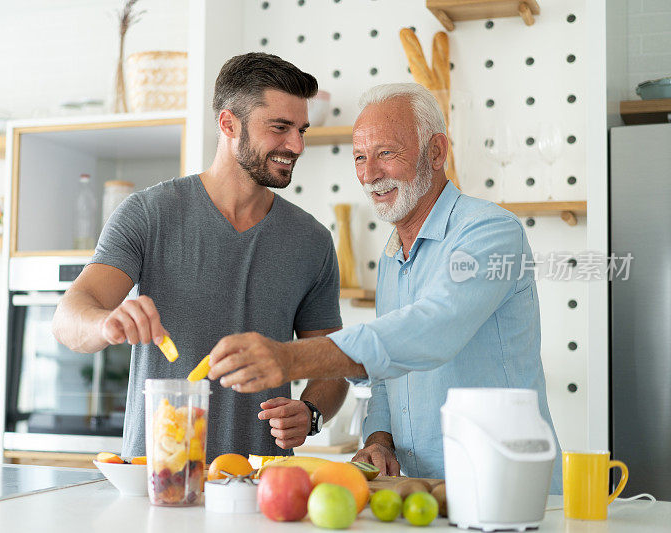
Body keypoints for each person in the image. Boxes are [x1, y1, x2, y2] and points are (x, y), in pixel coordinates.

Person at [207, 82, 563, 494]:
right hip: (418, 494)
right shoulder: (394, 257)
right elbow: (386, 378)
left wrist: (290, 359)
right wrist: (379, 438)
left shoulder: (490, 232)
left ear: (435, 152)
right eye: (360, 157)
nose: (369, 174)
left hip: (506, 489)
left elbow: (431, 332)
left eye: (386, 153)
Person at [52, 52, 348, 460]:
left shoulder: (312, 240)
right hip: (159, 478)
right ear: (228, 123)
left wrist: (311, 411)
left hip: (262, 491)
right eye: (280, 128)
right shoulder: (149, 214)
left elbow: (335, 362)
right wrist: (107, 323)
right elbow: (68, 318)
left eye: (301, 129)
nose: (296, 145)